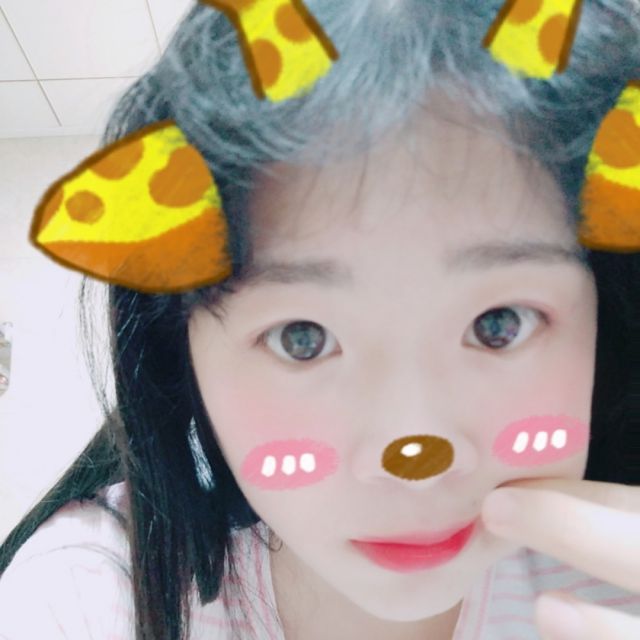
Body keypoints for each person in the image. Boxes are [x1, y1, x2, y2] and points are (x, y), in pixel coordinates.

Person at [1, 0, 640, 639]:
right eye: (301, 339)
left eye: (500, 324)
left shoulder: (617, 588)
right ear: (183, 355)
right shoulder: (87, 595)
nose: (413, 455)